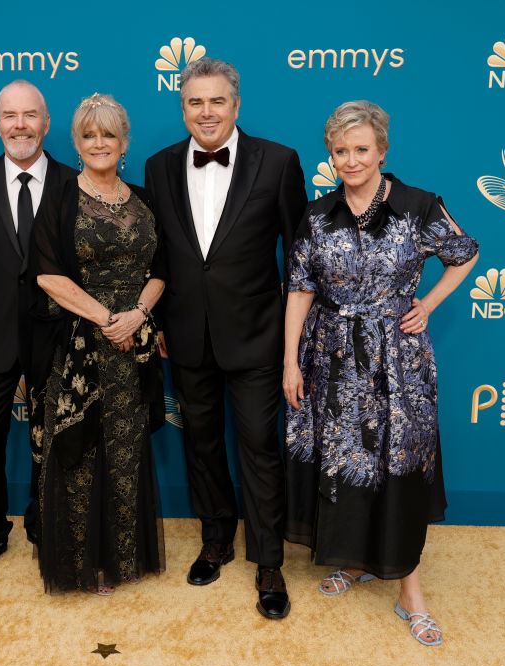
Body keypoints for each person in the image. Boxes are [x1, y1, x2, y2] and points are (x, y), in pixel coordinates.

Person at [282, 100, 479, 645]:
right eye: (341, 151)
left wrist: (430, 304)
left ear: (382, 151)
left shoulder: (418, 205)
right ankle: (354, 558)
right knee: (345, 462)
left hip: (396, 361)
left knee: (394, 465)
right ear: (331, 154)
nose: (351, 160)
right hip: (332, 358)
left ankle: (409, 593)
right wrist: (289, 360)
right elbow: (299, 288)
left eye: (361, 149)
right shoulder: (318, 215)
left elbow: (464, 252)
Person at [144, 57, 306, 619]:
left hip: (258, 336)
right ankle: (215, 539)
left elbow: (300, 257)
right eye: (195, 101)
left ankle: (268, 561)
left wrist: (294, 341)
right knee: (202, 444)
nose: (206, 111)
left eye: (217, 101)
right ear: (182, 105)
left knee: (260, 449)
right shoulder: (158, 165)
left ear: (237, 104)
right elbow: (159, 256)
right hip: (186, 335)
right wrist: (160, 322)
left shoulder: (279, 161)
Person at [28, 93, 166, 595]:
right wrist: (109, 319)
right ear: (77, 143)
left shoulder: (145, 198)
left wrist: (138, 316)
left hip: (135, 345)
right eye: (89, 135)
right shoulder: (61, 197)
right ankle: (85, 561)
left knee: (126, 450)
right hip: (82, 345)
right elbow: (46, 274)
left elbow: (162, 271)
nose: (99, 143)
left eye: (109, 134)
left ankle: (124, 555)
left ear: (124, 142)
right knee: (82, 451)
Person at [0, 80, 77, 577]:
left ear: (47, 124)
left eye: (30, 115)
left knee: (51, 435)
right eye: (10, 115)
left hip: (57, 333)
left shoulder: (76, 183)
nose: (20, 125)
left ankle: (42, 522)